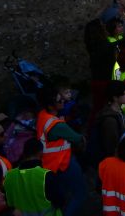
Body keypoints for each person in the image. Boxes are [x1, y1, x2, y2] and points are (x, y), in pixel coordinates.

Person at [36, 87, 86, 216]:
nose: (63, 101)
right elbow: (77, 138)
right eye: (59, 101)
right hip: (64, 163)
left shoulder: (43, 115)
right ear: (50, 105)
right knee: (80, 194)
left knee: (62, 196)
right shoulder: (57, 125)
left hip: (50, 165)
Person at [3, 138, 63, 216]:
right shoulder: (46, 176)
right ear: (41, 153)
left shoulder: (9, 176)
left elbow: (8, 203)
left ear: (24, 153)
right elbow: (60, 201)